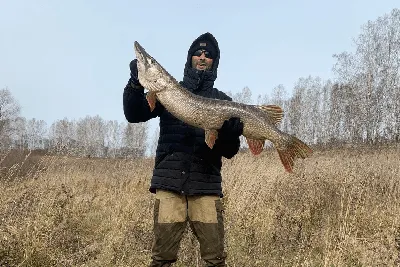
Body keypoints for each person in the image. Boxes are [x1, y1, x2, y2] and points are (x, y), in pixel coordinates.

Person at [123, 32, 243, 267]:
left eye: (208, 55)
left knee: (215, 259)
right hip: (169, 186)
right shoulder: (167, 91)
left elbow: (230, 151)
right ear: (189, 58)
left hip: (206, 187)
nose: (202, 57)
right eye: (197, 53)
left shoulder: (223, 101)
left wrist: (229, 134)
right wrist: (135, 83)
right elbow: (133, 114)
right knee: (161, 259)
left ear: (214, 62)